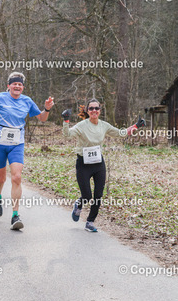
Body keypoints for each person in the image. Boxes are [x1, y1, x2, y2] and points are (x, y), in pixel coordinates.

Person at [0, 71, 54, 230]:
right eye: (14, 84)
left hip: (17, 143)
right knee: (1, 179)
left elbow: (42, 118)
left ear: (22, 87)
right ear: (8, 86)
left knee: (16, 177)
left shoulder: (27, 101)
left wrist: (46, 109)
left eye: (20, 84)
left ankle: (15, 215)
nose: (17, 86)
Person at [62, 99, 145, 232]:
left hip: (98, 163)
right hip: (83, 164)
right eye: (91, 108)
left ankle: (90, 222)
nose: (94, 111)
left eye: (96, 108)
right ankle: (79, 204)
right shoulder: (81, 126)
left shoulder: (104, 125)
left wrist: (136, 126)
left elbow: (120, 133)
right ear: (87, 111)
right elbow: (67, 135)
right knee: (87, 196)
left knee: (98, 195)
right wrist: (66, 120)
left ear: (100, 110)